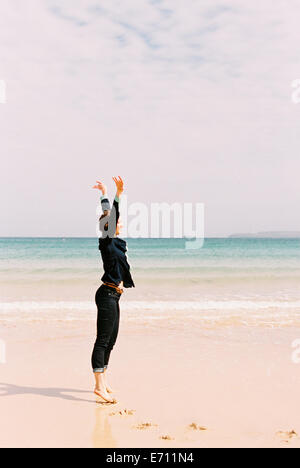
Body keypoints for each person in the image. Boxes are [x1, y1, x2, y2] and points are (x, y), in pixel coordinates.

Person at [91, 176, 135, 403]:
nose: (120, 222)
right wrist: (112, 195)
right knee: (102, 340)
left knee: (112, 340)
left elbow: (111, 214)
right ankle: (98, 387)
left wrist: (108, 191)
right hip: (106, 294)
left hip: (114, 296)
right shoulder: (107, 241)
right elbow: (110, 213)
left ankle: (104, 381)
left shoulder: (115, 241)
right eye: (116, 221)